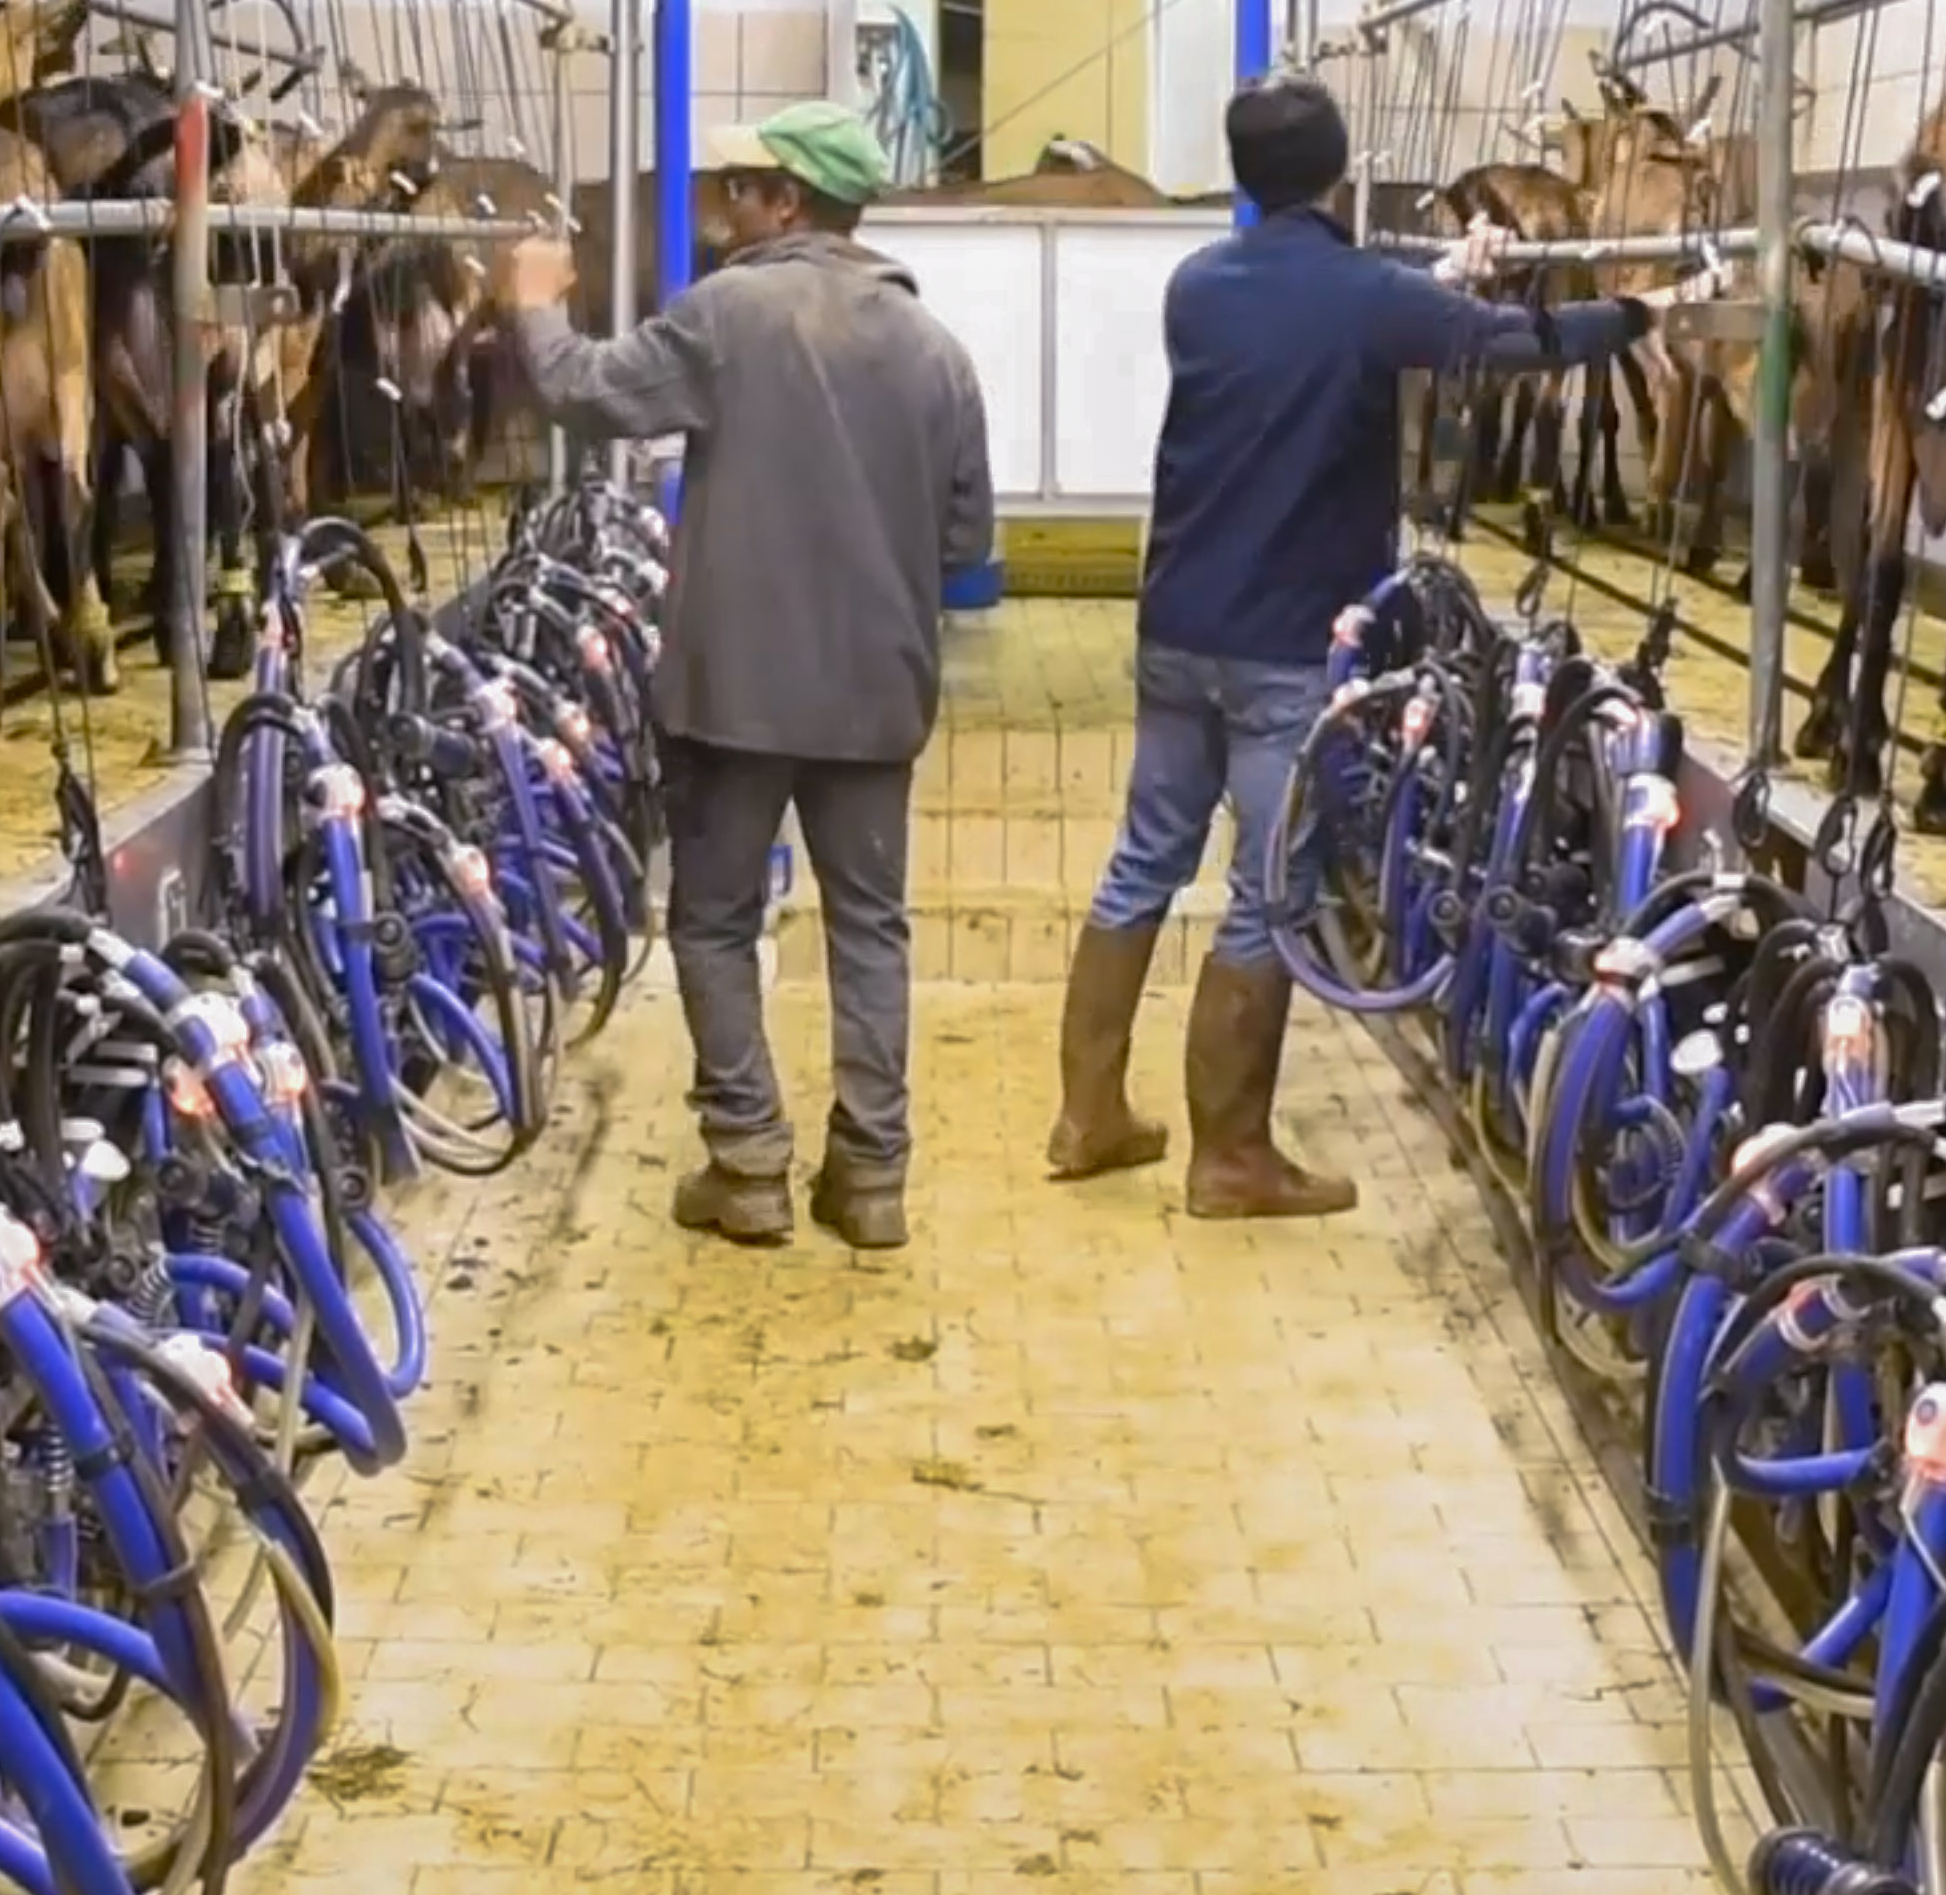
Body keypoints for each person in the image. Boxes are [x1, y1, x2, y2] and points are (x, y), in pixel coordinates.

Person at [1049, 73, 1676, 1217]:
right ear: (1340, 170)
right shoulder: (1361, 298)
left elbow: (1335, 319)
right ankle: (1229, 1157)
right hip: (1287, 642)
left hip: (1177, 622)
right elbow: (1510, 345)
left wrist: (1429, 283)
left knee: (1143, 858)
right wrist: (1644, 313)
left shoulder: (1197, 287)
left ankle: (1087, 1116)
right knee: (1264, 893)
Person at [504, 101, 989, 1253]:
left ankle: (750, 1165)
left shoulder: (727, 317)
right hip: (877, 692)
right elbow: (967, 552)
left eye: (737, 194)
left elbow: (584, 390)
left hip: (733, 694)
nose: (722, 218)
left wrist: (530, 302)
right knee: (871, 926)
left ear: (788, 203)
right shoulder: (936, 350)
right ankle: (870, 1179)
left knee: (716, 923)